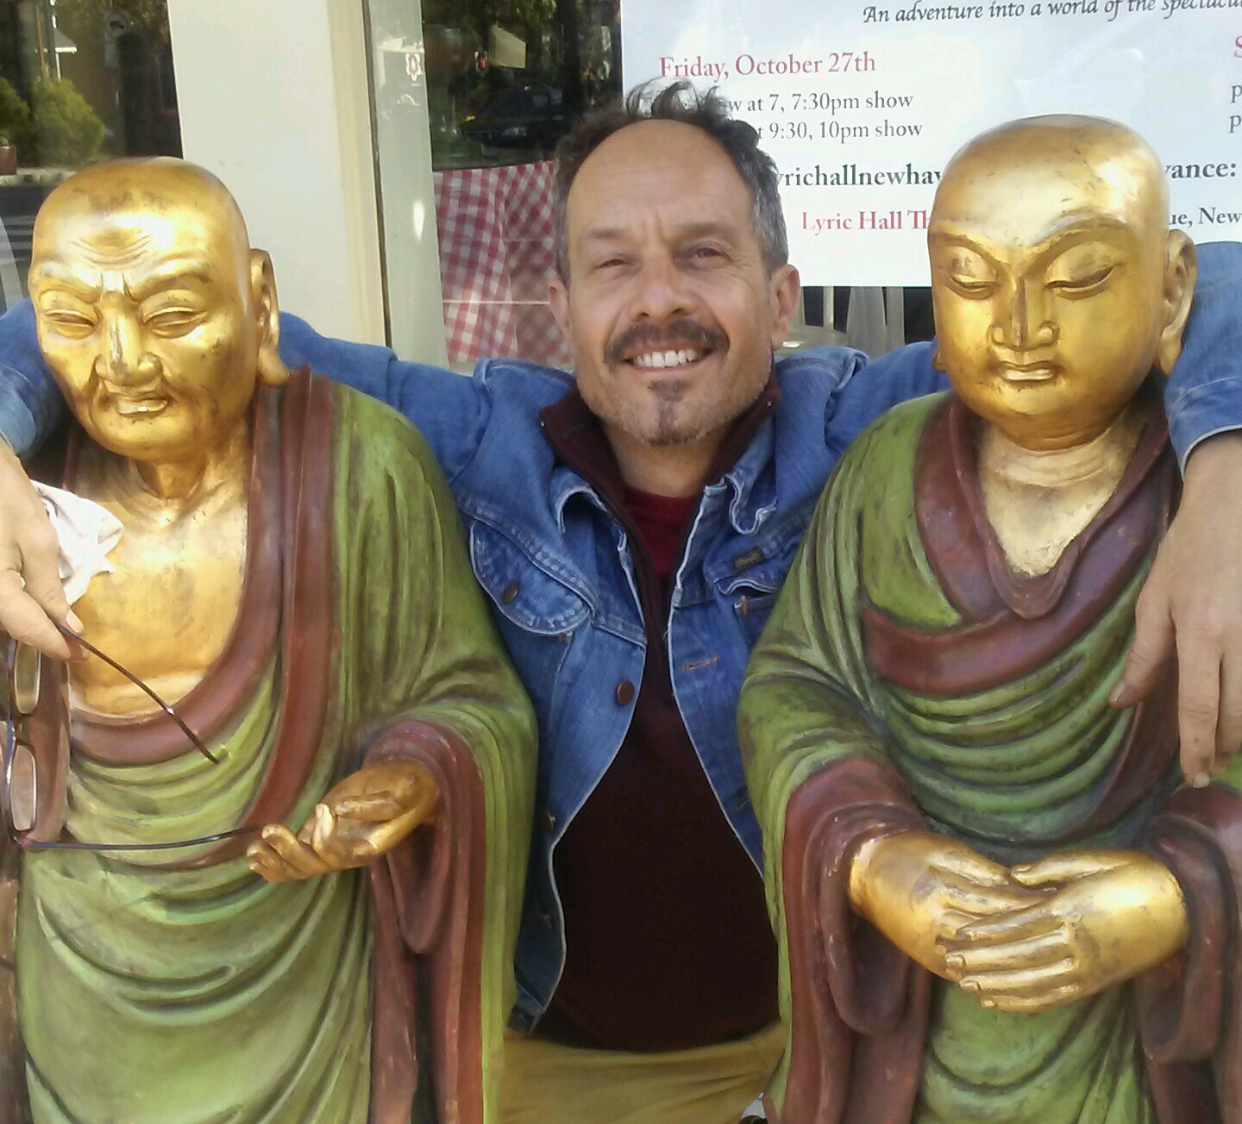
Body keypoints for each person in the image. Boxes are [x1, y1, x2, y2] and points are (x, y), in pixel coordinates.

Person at [0, 84, 1241, 1123]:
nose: (657, 301)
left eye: (702, 254)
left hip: (814, 1041)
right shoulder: (472, 440)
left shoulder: (878, 427)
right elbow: (98, 310)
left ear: (783, 292)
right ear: (562, 310)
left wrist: (1223, 453)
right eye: (612, 264)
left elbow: (1205, 277)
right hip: (549, 1059)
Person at [4, 158, 536, 1123]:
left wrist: (413, 776)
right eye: (74, 321)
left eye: (170, 316)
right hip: (85, 971)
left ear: (260, 301)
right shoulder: (22, 487)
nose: (121, 363)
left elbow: (472, 697)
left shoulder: (361, 468)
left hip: (304, 961)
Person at [739, 115, 1242, 1124]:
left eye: (1075, 278)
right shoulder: (884, 471)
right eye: (970, 281)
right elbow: (796, 691)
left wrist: (1178, 893)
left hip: (1139, 1031)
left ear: (1174, 285)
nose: (1017, 326)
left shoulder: (1212, 500)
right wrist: (874, 857)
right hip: (919, 1012)